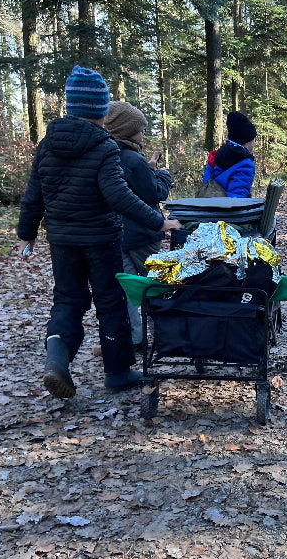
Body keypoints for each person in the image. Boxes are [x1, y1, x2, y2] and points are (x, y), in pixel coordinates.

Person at [16, 66, 181, 399]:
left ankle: (57, 360)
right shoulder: (103, 145)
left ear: (71, 106)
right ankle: (118, 372)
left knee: (67, 300)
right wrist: (158, 222)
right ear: (101, 110)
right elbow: (118, 195)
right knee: (111, 303)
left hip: (62, 240)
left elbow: (34, 192)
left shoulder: (47, 144)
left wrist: (27, 232)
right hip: (101, 238)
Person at [104, 100, 173, 349]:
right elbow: (155, 193)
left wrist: (150, 168)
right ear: (126, 131)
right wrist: (162, 173)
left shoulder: (108, 156)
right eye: (140, 129)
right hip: (144, 235)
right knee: (154, 285)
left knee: (129, 290)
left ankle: (136, 338)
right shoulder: (133, 159)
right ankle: (164, 338)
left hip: (118, 234)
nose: (143, 134)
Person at [203, 111, 257, 198]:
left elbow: (206, 185)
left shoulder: (215, 157)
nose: (254, 144)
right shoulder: (246, 165)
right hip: (225, 211)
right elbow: (237, 201)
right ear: (247, 141)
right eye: (254, 140)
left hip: (207, 209)